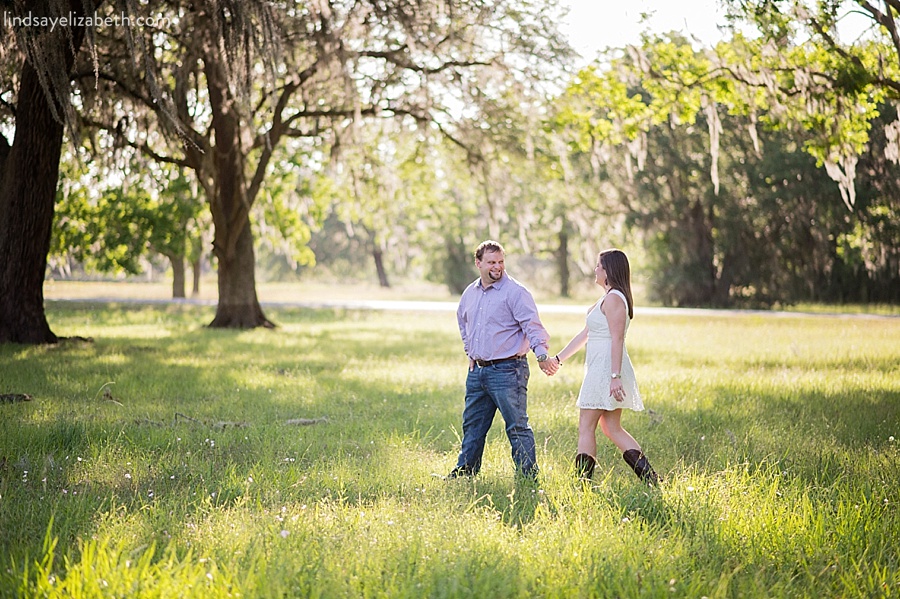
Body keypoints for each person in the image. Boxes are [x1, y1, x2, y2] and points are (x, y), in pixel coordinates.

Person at [448, 240, 558, 480]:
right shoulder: (470, 293)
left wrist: (541, 354)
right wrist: (470, 351)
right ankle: (465, 472)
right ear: (478, 263)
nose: (497, 267)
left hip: (508, 370)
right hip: (478, 372)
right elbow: (463, 322)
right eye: (491, 262)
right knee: (473, 425)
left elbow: (532, 326)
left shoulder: (515, 292)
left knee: (517, 426)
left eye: (500, 261)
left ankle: (528, 477)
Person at [550, 248, 659, 485]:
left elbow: (617, 338)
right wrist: (558, 359)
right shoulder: (607, 297)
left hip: (606, 370)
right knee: (611, 427)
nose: (595, 270)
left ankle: (581, 484)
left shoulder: (614, 299)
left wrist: (614, 376)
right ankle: (651, 479)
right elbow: (586, 334)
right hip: (602, 369)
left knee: (586, 427)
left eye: (598, 266)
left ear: (608, 271)